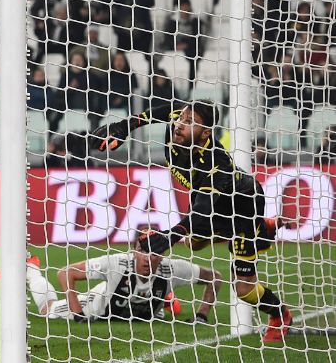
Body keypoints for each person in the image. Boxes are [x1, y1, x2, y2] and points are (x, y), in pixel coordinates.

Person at [88, 99, 292, 343]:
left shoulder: (217, 164)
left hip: (242, 209)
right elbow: (159, 112)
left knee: (244, 291)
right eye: (181, 119)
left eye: (189, 122)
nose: (179, 125)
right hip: (205, 197)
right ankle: (264, 228)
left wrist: (168, 237)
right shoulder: (177, 122)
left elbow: (202, 215)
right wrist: (124, 126)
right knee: (193, 243)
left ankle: (280, 314)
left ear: (206, 132)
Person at [25, 234, 221, 323]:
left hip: (138, 312)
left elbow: (215, 277)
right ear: (134, 251)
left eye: (153, 254)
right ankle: (31, 268)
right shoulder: (116, 263)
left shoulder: (171, 268)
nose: (147, 258)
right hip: (94, 306)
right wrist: (78, 315)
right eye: (142, 252)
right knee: (47, 309)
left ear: (161, 256)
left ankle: (163, 301)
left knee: (152, 304)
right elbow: (65, 273)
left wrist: (202, 316)